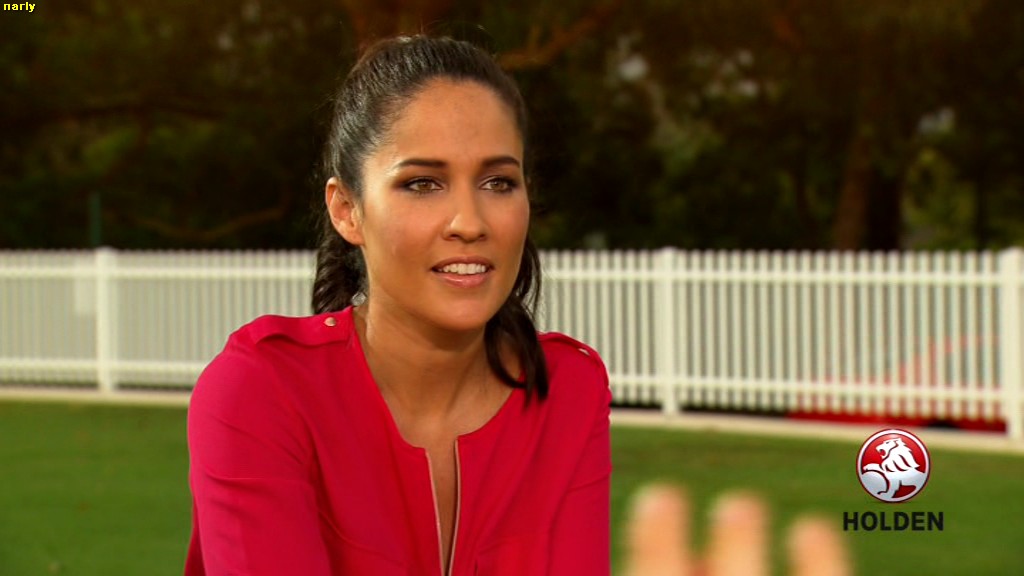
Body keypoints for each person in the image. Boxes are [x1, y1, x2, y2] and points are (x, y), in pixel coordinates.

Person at [184, 35, 612, 576]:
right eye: (422, 183)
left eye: (498, 182)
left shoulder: (568, 390)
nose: (470, 222)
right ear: (347, 210)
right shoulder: (261, 391)